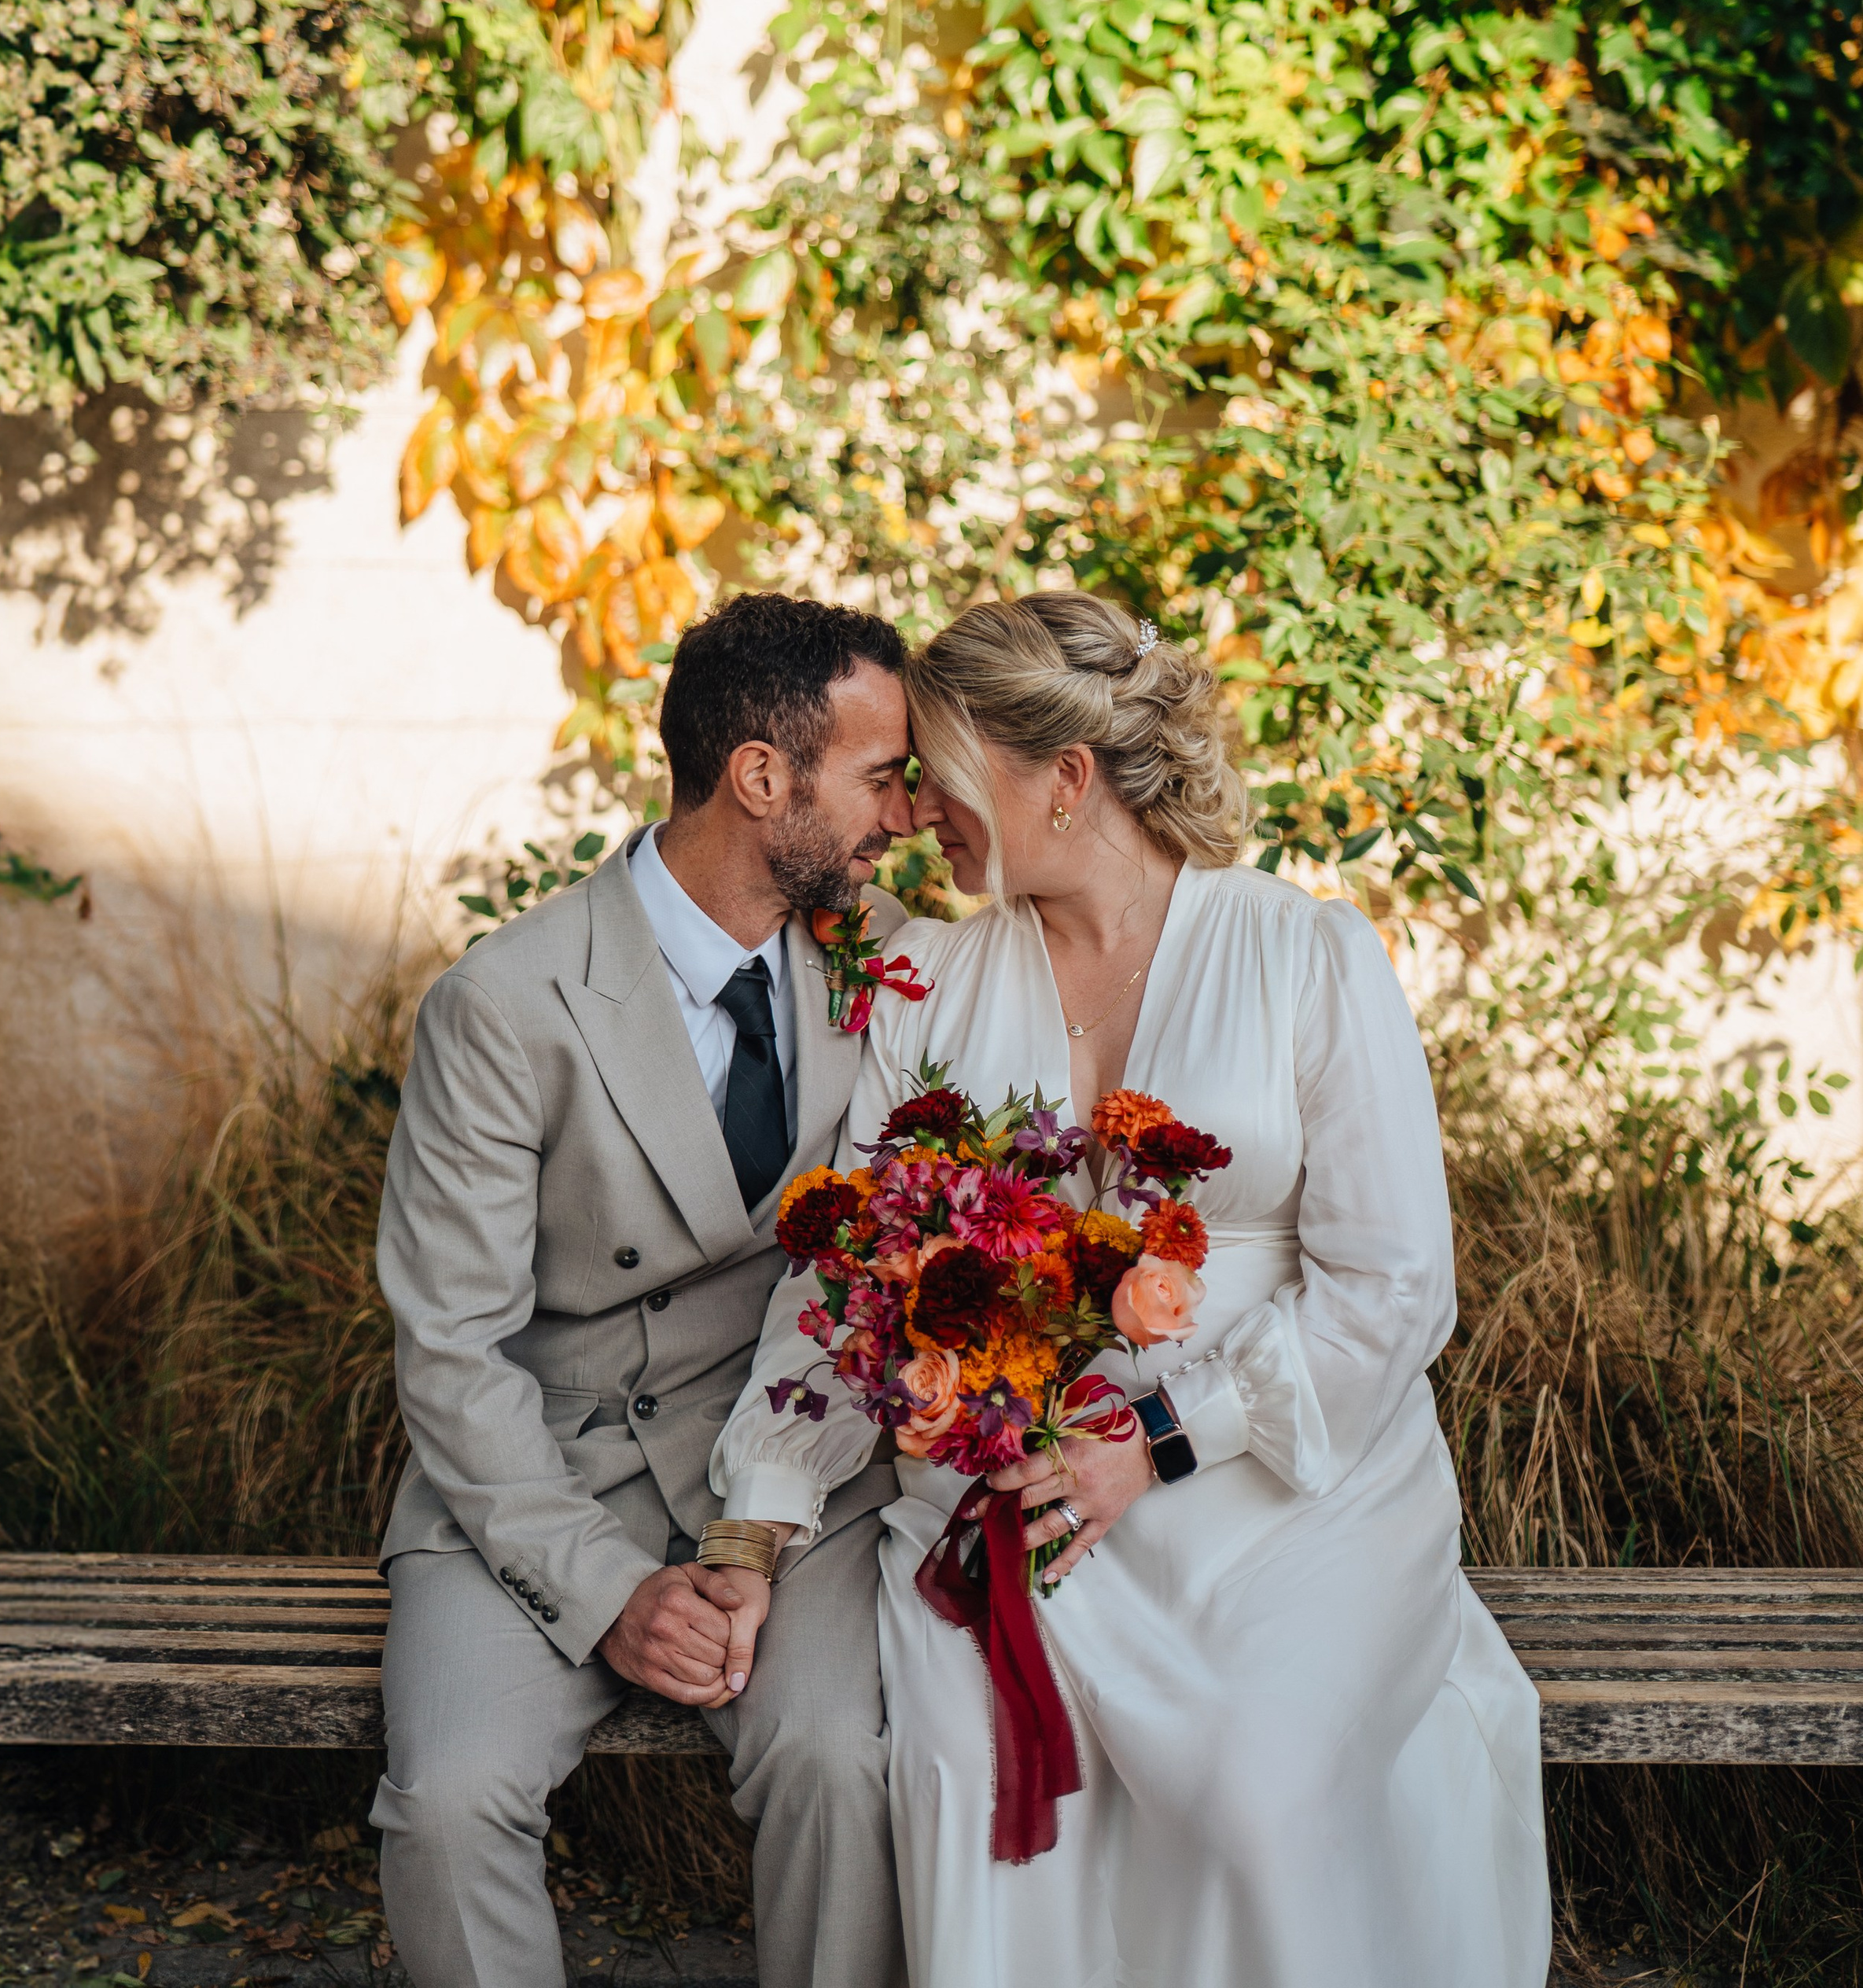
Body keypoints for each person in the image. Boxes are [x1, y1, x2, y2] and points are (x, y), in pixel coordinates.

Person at [710, 589, 1552, 1988]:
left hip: (1284, 1478)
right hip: (1014, 1490)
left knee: (1255, 1792)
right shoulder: (925, 977)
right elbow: (844, 1274)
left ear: (1066, 774)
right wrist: (761, 1513)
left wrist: (1160, 1442)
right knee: (964, 1766)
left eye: (941, 767)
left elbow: (1396, 1288)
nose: (916, 811)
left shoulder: (1308, 957)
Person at [370, 592, 919, 1988]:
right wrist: (612, 1590)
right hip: (544, 1473)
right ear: (760, 777)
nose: (904, 816)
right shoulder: (508, 1003)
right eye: (878, 776)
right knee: (448, 1803)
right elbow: (452, 1350)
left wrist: (756, 1530)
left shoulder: (887, 954)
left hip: (791, 1467)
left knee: (843, 1767)